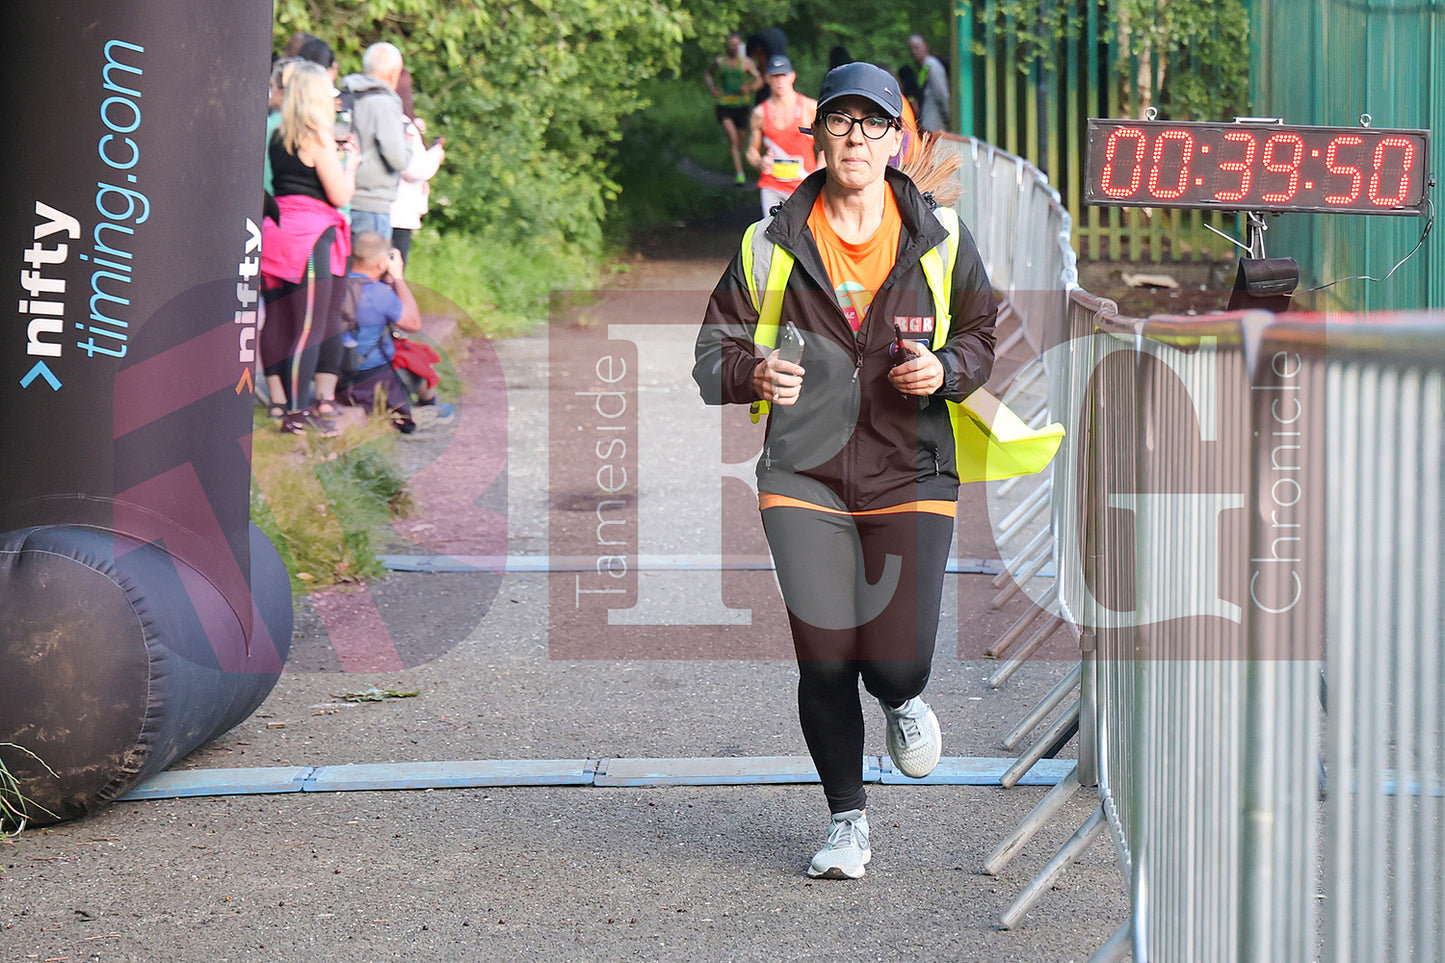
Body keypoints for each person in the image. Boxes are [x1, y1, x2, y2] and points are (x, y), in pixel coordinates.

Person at [692, 62, 997, 879]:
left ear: (895, 138)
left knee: (895, 661)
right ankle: (845, 820)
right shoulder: (768, 242)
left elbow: (981, 333)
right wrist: (752, 371)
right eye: (839, 121)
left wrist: (945, 369)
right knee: (825, 656)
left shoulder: (941, 236)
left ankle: (900, 695)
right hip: (803, 473)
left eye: (872, 123)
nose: (855, 137)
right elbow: (711, 355)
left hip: (911, 467)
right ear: (816, 136)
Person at [260, 61, 358, 436]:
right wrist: (351, 166)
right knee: (309, 327)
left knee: (279, 319)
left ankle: (283, 404)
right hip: (310, 234)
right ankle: (299, 412)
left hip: (278, 229)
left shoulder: (278, 135)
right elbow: (339, 194)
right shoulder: (318, 138)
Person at [336, 232, 453, 433]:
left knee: (408, 352)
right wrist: (398, 278)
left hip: (332, 374)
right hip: (370, 377)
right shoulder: (378, 293)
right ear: (382, 263)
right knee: (414, 356)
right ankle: (426, 408)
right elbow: (413, 324)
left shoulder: (334, 285)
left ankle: (426, 403)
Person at [338, 42, 412, 242]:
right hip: (371, 202)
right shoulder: (384, 103)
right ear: (394, 73)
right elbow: (397, 159)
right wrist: (408, 144)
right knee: (369, 261)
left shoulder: (346, 95)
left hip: (342, 195)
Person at [745, 55, 819, 218]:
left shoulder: (810, 108)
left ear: (792, 76)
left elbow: (828, 146)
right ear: (767, 79)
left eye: (783, 75)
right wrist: (760, 162)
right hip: (772, 185)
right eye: (775, 76)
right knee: (772, 231)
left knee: (803, 231)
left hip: (803, 185)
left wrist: (820, 174)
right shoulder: (759, 113)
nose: (780, 81)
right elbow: (751, 151)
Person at [704, 33, 761, 186]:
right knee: (733, 137)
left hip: (742, 106)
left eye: (737, 45)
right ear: (727, 46)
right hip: (724, 105)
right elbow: (707, 74)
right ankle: (739, 173)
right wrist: (712, 88)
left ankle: (735, 156)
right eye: (731, 45)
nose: (734, 48)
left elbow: (759, 80)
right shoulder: (719, 62)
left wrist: (750, 88)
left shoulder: (746, 63)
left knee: (740, 141)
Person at [390, 114, 445, 265]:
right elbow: (415, 169)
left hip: (387, 208)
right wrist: (436, 155)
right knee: (393, 271)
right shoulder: (402, 122)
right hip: (398, 212)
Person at [908, 34, 950, 132]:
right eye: (911, 48)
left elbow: (941, 93)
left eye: (916, 47)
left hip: (935, 122)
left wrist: (947, 117)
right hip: (928, 121)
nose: (914, 52)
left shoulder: (932, 66)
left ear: (925, 46)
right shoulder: (924, 67)